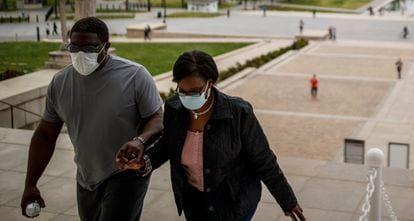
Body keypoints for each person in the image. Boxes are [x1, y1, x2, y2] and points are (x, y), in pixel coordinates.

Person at [121, 51, 305, 221]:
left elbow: (264, 161)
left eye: (195, 92)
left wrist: (287, 201)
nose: (187, 97)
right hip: (194, 202)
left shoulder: (239, 113)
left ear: (210, 83)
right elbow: (168, 145)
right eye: (182, 91)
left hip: (234, 202)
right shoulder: (174, 108)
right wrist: (145, 161)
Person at [21, 17, 163, 220]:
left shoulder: (135, 76)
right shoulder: (60, 82)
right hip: (86, 177)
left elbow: (157, 118)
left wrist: (139, 140)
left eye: (89, 48)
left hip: (125, 173)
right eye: (74, 48)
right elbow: (45, 135)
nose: (81, 54)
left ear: (106, 46)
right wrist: (30, 184)